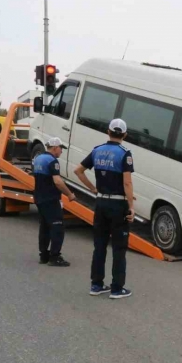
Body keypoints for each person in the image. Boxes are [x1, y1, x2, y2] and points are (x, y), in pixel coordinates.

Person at [74, 118, 135, 299]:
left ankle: (96, 284)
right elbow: (127, 182)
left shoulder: (97, 150)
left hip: (100, 203)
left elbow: (78, 170)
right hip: (118, 204)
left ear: (108, 132)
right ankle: (117, 288)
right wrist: (131, 205)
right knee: (118, 247)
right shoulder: (125, 153)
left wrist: (93, 189)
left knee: (99, 246)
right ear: (124, 135)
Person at [32, 137, 76, 267]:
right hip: (50, 199)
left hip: (39, 197)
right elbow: (57, 181)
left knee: (44, 227)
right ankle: (55, 257)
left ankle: (43, 255)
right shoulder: (52, 161)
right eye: (61, 148)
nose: (61, 151)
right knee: (57, 227)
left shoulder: (38, 159)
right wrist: (69, 194)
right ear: (55, 148)